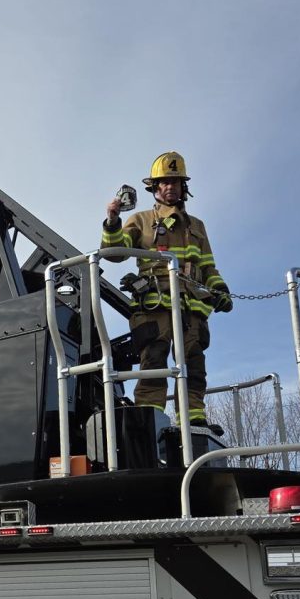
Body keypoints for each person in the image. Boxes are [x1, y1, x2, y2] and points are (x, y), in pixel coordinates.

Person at [101, 151, 232, 431]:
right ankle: (149, 418)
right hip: (154, 304)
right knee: (154, 361)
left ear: (184, 187)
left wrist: (220, 290)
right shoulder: (141, 219)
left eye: (175, 182)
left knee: (194, 365)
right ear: (155, 188)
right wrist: (112, 219)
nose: (170, 187)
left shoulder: (197, 227)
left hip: (191, 308)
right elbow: (114, 253)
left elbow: (208, 267)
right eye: (164, 182)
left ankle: (195, 418)